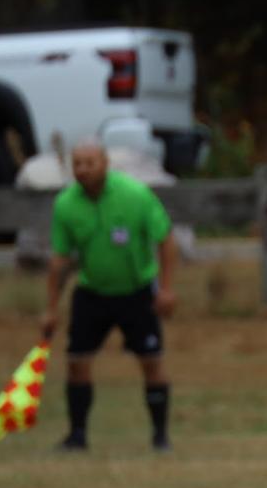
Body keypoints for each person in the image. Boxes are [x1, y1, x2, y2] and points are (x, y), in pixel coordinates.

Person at [39, 139, 177, 452]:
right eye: (77, 164)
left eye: (90, 162)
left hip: (137, 292)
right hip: (92, 292)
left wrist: (166, 289)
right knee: (76, 362)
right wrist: (50, 307)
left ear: (105, 163)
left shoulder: (135, 195)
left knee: (152, 362)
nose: (83, 170)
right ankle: (77, 435)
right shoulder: (65, 205)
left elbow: (166, 241)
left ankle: (160, 436)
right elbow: (59, 260)